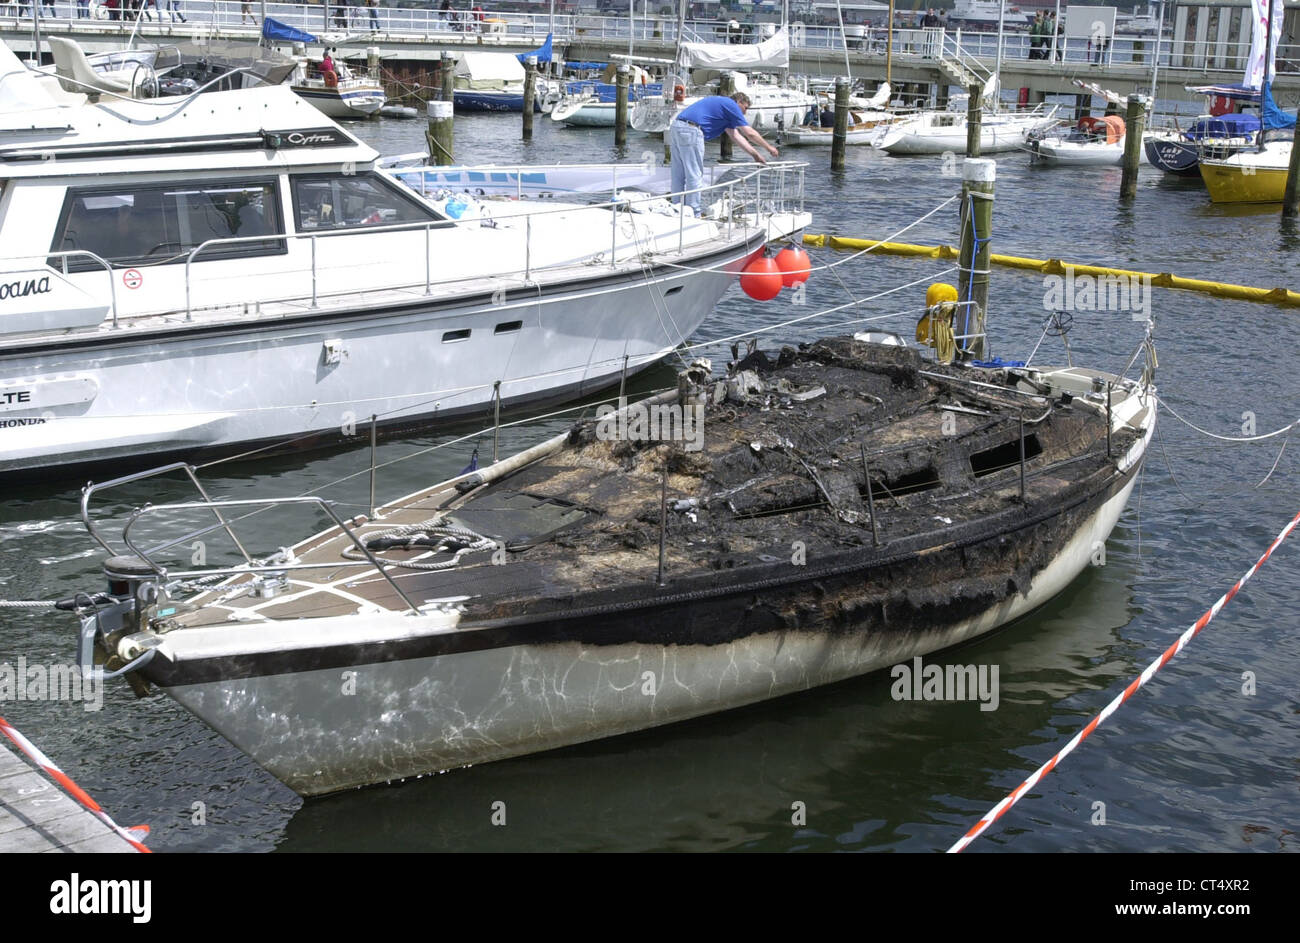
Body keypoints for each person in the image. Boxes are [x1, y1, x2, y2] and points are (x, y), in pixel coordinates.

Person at [669, 92, 779, 216]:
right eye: (745, 108)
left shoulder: (724, 109)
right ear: (739, 102)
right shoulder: (731, 105)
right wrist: (769, 147)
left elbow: (736, 136)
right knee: (694, 174)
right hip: (692, 130)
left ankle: (675, 208)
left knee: (678, 173)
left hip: (676, 127)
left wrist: (755, 155)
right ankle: (694, 213)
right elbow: (749, 133)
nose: (745, 113)